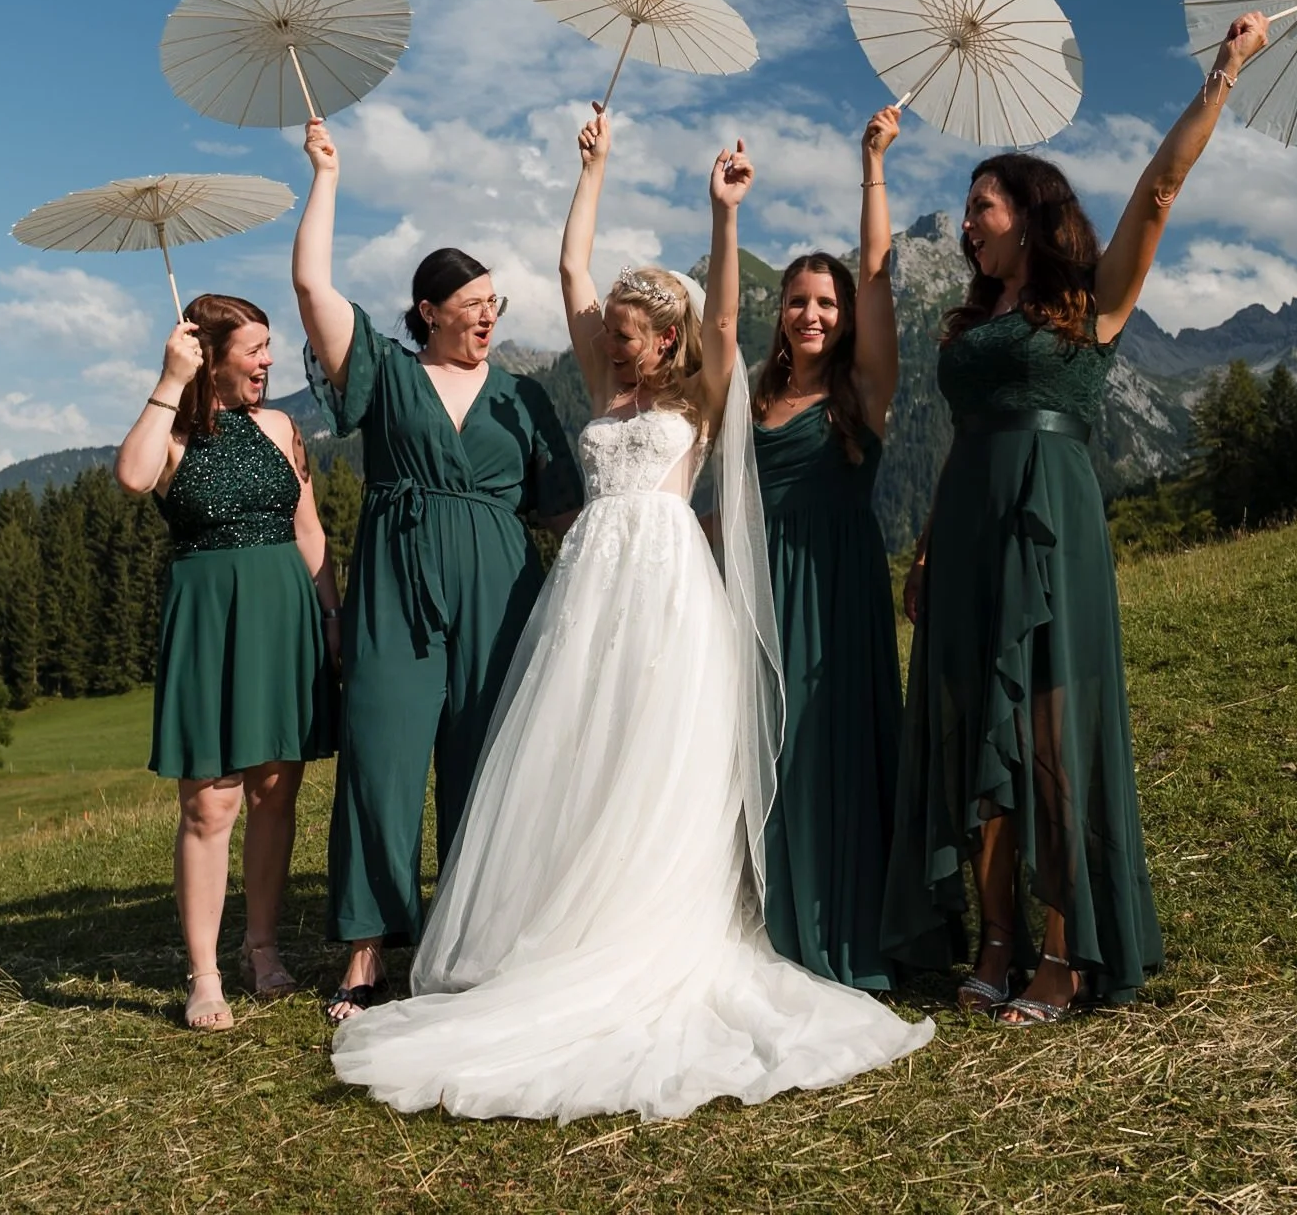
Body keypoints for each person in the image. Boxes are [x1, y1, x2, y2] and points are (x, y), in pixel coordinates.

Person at [329, 109, 932, 1122]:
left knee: (659, 760)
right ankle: (559, 923)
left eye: (627, 327)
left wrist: (722, 213)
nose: (610, 336)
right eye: (608, 329)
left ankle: (648, 921)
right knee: (577, 753)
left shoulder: (702, 397)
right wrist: (592, 170)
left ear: (665, 335)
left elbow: (732, 313)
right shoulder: (604, 388)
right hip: (585, 595)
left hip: (664, 593)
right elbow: (572, 269)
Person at [883, 12, 1270, 1025]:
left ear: (1031, 213)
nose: (969, 223)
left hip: (1049, 519)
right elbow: (965, 436)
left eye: (983, 206)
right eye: (966, 210)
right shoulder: (968, 322)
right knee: (977, 730)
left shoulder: (1091, 306)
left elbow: (1161, 190)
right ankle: (997, 934)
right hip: (967, 526)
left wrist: (1222, 76)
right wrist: (924, 547)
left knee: (1050, 728)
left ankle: (1065, 945)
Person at [290, 117, 583, 1023]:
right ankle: (369, 946)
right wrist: (326, 174)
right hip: (397, 580)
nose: (490, 314)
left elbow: (564, 507)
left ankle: (471, 933)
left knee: (485, 758)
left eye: (497, 302)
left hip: (501, 583)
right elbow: (310, 284)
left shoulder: (521, 394)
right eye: (475, 302)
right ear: (429, 310)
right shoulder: (382, 370)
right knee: (380, 753)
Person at [114, 293, 338, 1031]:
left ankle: (262, 947)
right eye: (253, 350)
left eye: (268, 348)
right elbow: (132, 477)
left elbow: (309, 530)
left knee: (277, 788)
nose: (268, 362)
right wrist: (168, 380)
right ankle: (204, 972)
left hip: (284, 616)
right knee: (210, 802)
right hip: (210, 622)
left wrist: (331, 620)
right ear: (211, 357)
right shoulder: (171, 434)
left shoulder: (279, 427)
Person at [747, 104, 904, 992]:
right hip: (755, 588)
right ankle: (763, 916)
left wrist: (870, 166)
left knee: (827, 749)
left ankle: (842, 922)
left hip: (837, 588)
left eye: (826, 303)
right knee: (758, 748)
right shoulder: (754, 399)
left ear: (844, 318)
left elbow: (878, 277)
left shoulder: (864, 391)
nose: (812, 314)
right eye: (798, 302)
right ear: (780, 314)